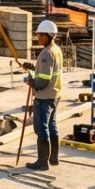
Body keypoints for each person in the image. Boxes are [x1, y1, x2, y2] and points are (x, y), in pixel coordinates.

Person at [23, 19, 63, 171]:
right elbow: (49, 72)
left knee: (42, 128)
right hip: (55, 94)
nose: (38, 38)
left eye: (41, 35)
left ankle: (42, 161)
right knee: (52, 126)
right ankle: (53, 158)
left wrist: (30, 81)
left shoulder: (46, 53)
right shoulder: (56, 50)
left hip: (44, 96)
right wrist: (34, 69)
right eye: (38, 34)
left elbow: (43, 81)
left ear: (49, 35)